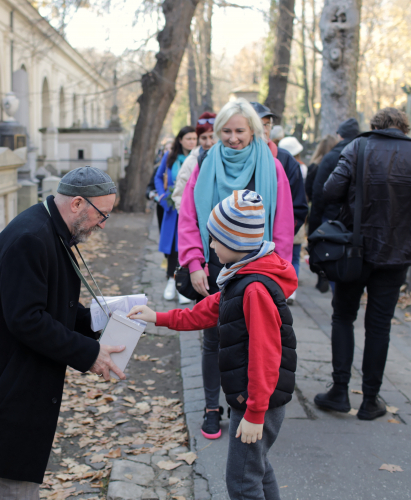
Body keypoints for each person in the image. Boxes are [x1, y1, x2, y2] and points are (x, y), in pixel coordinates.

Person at [0, 167, 125, 499]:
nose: (103, 224)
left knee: (20, 473)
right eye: (102, 214)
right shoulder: (31, 237)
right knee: (17, 476)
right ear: (77, 203)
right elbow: (27, 320)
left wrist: (99, 321)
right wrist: (89, 353)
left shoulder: (50, 227)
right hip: (6, 374)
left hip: (19, 371)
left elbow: (52, 305)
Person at [129, 190, 297, 500]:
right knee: (257, 469)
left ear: (236, 243)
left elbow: (265, 355)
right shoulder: (242, 277)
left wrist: (255, 412)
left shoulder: (254, 289)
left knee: (242, 482)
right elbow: (204, 311)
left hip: (257, 400)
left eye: (216, 239)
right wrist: (158, 317)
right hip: (254, 398)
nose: (210, 245)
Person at [314, 108, 411, 420]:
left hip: (354, 250)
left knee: (343, 317)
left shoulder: (357, 147)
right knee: (379, 325)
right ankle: (370, 400)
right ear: (404, 127)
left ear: (374, 126)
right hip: (398, 253)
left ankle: (339, 392)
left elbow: (330, 190)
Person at [179, 98, 294, 440]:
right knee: (213, 337)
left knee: (253, 339)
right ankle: (211, 406)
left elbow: (283, 222)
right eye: (226, 131)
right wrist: (194, 261)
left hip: (259, 269)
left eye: (240, 131)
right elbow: (188, 217)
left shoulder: (271, 167)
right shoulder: (204, 162)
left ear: (253, 131)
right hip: (214, 262)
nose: (232, 138)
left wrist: (282, 273)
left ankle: (243, 403)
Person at [250, 103, 308, 243]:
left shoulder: (285, 159)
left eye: (267, 125)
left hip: (273, 245)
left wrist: (282, 236)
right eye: (258, 124)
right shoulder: (231, 159)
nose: (263, 130)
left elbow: (298, 207)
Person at [156, 126, 198, 304]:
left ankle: (184, 284)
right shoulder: (170, 157)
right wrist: (163, 196)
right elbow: (158, 177)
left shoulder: (200, 157)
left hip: (193, 209)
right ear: (180, 140)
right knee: (173, 247)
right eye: (188, 138)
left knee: (187, 245)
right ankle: (171, 281)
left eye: (194, 138)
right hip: (173, 210)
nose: (192, 142)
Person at [307, 118, 359, 237]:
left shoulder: (330, 157)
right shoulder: (365, 154)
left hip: (331, 217)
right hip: (357, 218)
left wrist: (313, 226)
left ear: (340, 135)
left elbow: (319, 192)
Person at [304, 135, 339, 293]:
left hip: (320, 210)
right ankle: (330, 275)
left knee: (320, 245)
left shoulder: (314, 166)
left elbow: (309, 190)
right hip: (335, 211)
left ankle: (321, 276)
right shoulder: (340, 164)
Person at [278, 136, 307, 305]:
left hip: (289, 220)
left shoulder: (288, 165)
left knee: (293, 256)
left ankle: (289, 286)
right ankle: (292, 288)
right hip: (294, 223)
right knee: (294, 256)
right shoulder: (301, 167)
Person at [171, 112, 217, 210]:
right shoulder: (191, 162)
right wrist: (189, 221)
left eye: (212, 137)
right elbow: (179, 196)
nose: (208, 143)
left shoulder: (229, 159)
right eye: (203, 138)